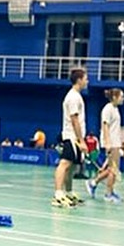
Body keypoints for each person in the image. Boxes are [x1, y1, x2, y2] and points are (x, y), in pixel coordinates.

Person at [53, 67, 88, 208]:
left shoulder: (77, 96)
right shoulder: (73, 97)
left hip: (75, 137)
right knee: (65, 164)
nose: (87, 81)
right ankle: (58, 195)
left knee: (72, 167)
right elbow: (74, 120)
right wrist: (81, 141)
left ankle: (68, 192)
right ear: (79, 80)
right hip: (71, 137)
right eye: (85, 79)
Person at [85, 88, 124, 204]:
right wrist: (107, 143)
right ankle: (108, 194)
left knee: (112, 169)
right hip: (111, 142)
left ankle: (93, 183)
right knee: (113, 170)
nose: (123, 98)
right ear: (115, 97)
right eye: (121, 96)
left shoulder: (115, 109)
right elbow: (105, 126)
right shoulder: (108, 109)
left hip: (116, 142)